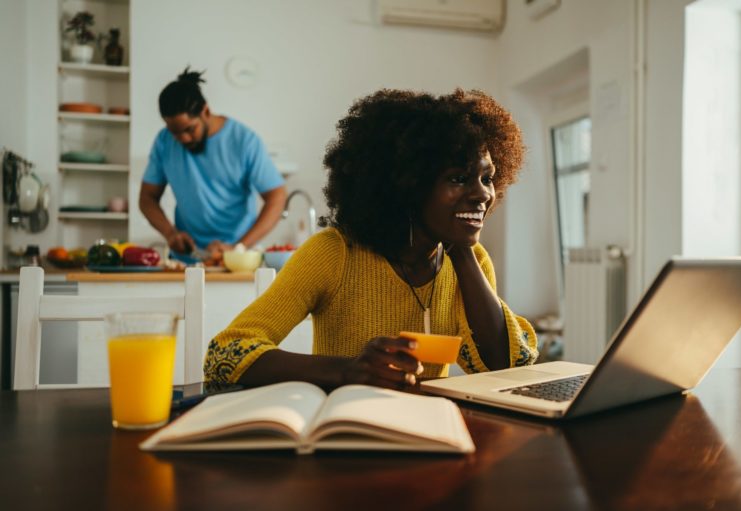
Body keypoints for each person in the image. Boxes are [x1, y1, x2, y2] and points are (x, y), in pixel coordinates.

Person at [205, 88, 538, 390]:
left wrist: (462, 253)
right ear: (408, 185)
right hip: (347, 434)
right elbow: (226, 355)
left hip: (432, 436)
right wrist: (347, 370)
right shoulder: (336, 253)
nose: (482, 194)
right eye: (459, 178)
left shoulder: (473, 261)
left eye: (487, 178)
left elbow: (507, 366)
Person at [139, 68, 286, 259]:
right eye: (175, 132)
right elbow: (147, 198)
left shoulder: (244, 141)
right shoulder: (164, 141)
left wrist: (239, 248)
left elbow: (277, 197)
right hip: (187, 259)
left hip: (236, 259)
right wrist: (170, 233)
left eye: (189, 129)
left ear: (205, 111)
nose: (183, 139)